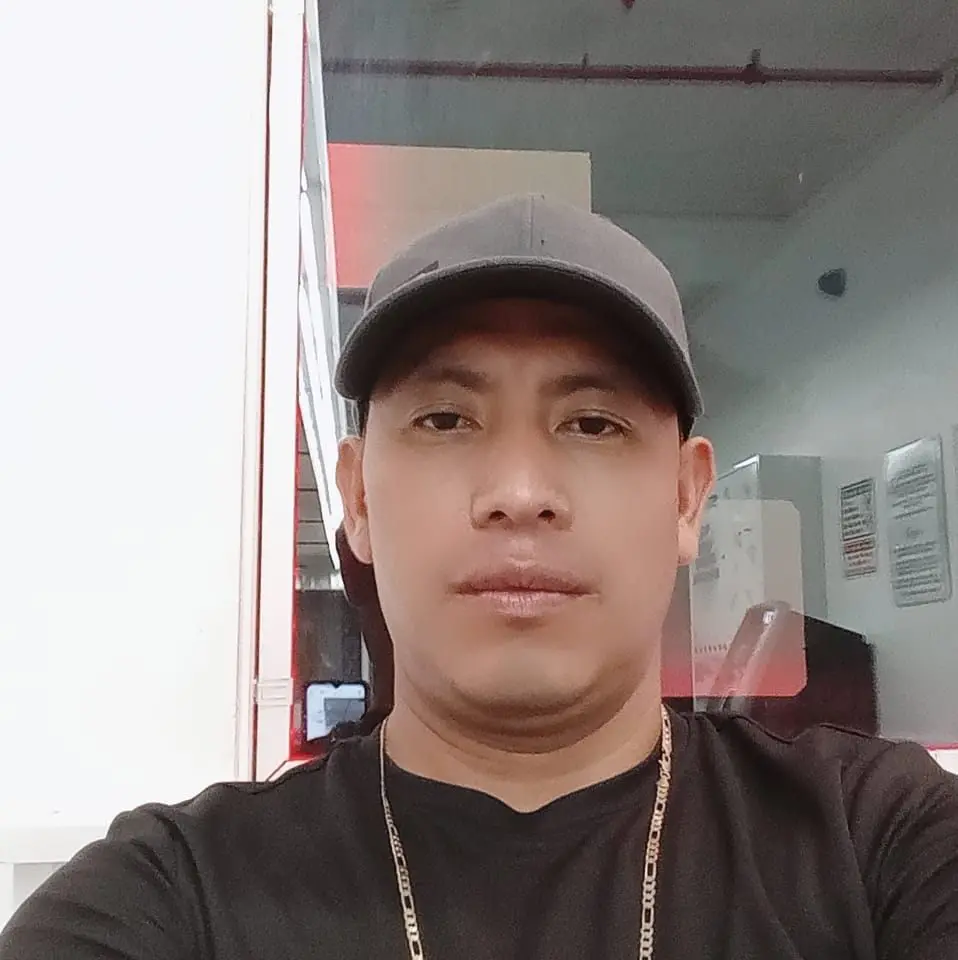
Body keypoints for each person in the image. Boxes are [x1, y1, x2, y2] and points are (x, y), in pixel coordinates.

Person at [2, 195, 957, 959]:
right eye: (445, 420)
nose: (519, 494)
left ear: (684, 499)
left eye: (593, 423)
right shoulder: (179, 896)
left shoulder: (881, 843)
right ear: (358, 498)